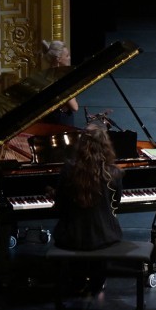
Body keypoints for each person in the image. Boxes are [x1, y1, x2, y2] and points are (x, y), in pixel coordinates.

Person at [48, 122, 124, 296]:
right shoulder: (114, 173)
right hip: (106, 236)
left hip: (72, 237)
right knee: (97, 232)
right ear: (106, 144)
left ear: (80, 144)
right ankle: (98, 281)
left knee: (75, 230)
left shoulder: (69, 170)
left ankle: (77, 280)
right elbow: (115, 204)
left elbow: (60, 206)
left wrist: (54, 194)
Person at [42, 40, 78, 126]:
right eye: (67, 55)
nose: (69, 58)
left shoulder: (46, 74)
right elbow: (75, 107)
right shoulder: (62, 78)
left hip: (48, 119)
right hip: (61, 120)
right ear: (59, 59)